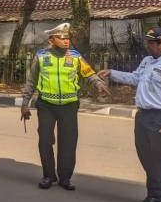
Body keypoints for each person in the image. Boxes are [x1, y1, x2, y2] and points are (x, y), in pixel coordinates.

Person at [97, 28, 161, 202]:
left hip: (160, 117)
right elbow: (135, 78)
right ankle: (154, 195)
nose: (148, 46)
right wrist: (112, 73)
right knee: (146, 156)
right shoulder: (147, 61)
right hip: (143, 116)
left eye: (152, 43)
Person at [21, 23, 110, 191]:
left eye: (67, 38)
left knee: (68, 142)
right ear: (51, 40)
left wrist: (99, 84)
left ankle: (65, 177)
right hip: (46, 105)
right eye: (61, 38)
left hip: (69, 106)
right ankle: (48, 176)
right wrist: (25, 103)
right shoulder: (41, 56)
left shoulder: (75, 56)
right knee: (45, 141)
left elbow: (89, 73)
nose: (65, 41)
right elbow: (31, 81)